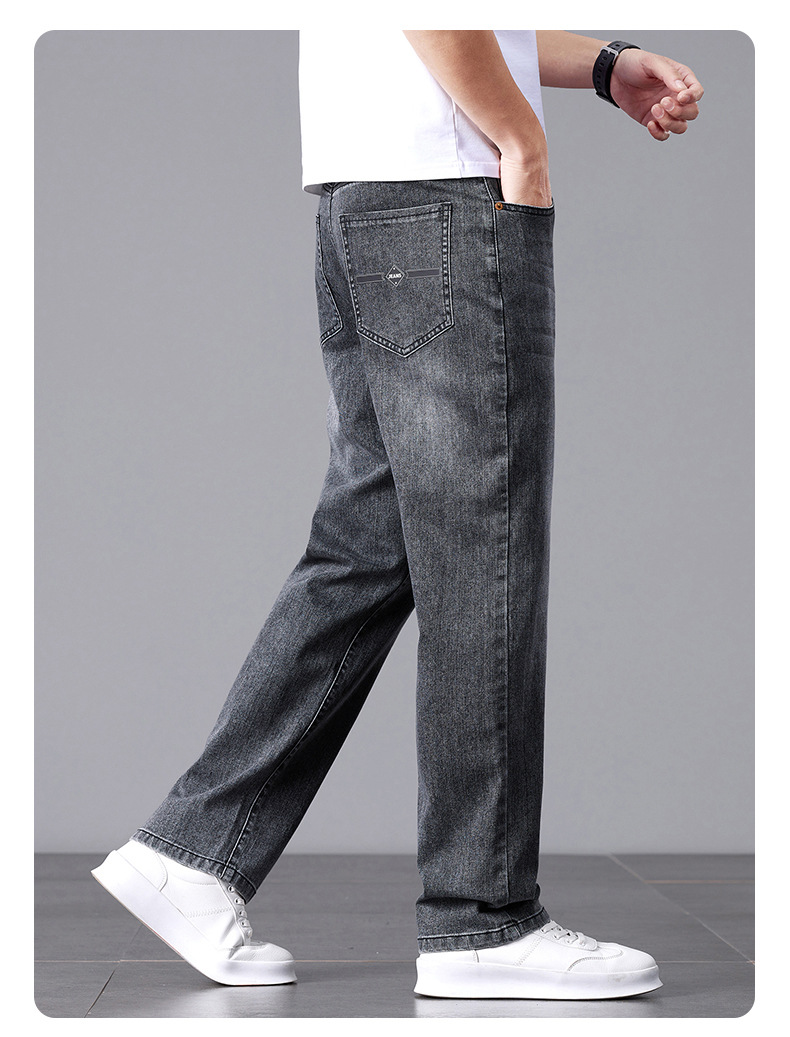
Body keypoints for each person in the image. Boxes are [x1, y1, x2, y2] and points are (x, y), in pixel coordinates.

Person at [92, 30, 704, 1000]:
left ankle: (192, 850)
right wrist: (518, 137)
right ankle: (481, 917)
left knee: (369, 542)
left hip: (364, 196)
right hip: (447, 194)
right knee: (486, 544)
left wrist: (600, 65)